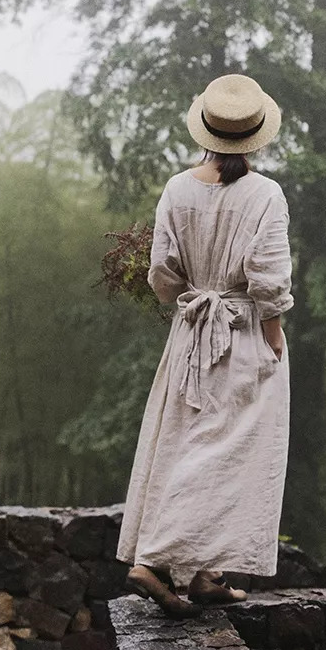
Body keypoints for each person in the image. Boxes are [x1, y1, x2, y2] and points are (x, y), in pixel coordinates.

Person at [116, 73, 294, 617]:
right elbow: (268, 276)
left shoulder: (178, 188)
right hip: (240, 331)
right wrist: (273, 331)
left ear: (206, 131)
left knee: (189, 439)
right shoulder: (265, 195)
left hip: (192, 330)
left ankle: (206, 574)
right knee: (224, 450)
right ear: (256, 134)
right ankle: (156, 559)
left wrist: (192, 301)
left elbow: (163, 273)